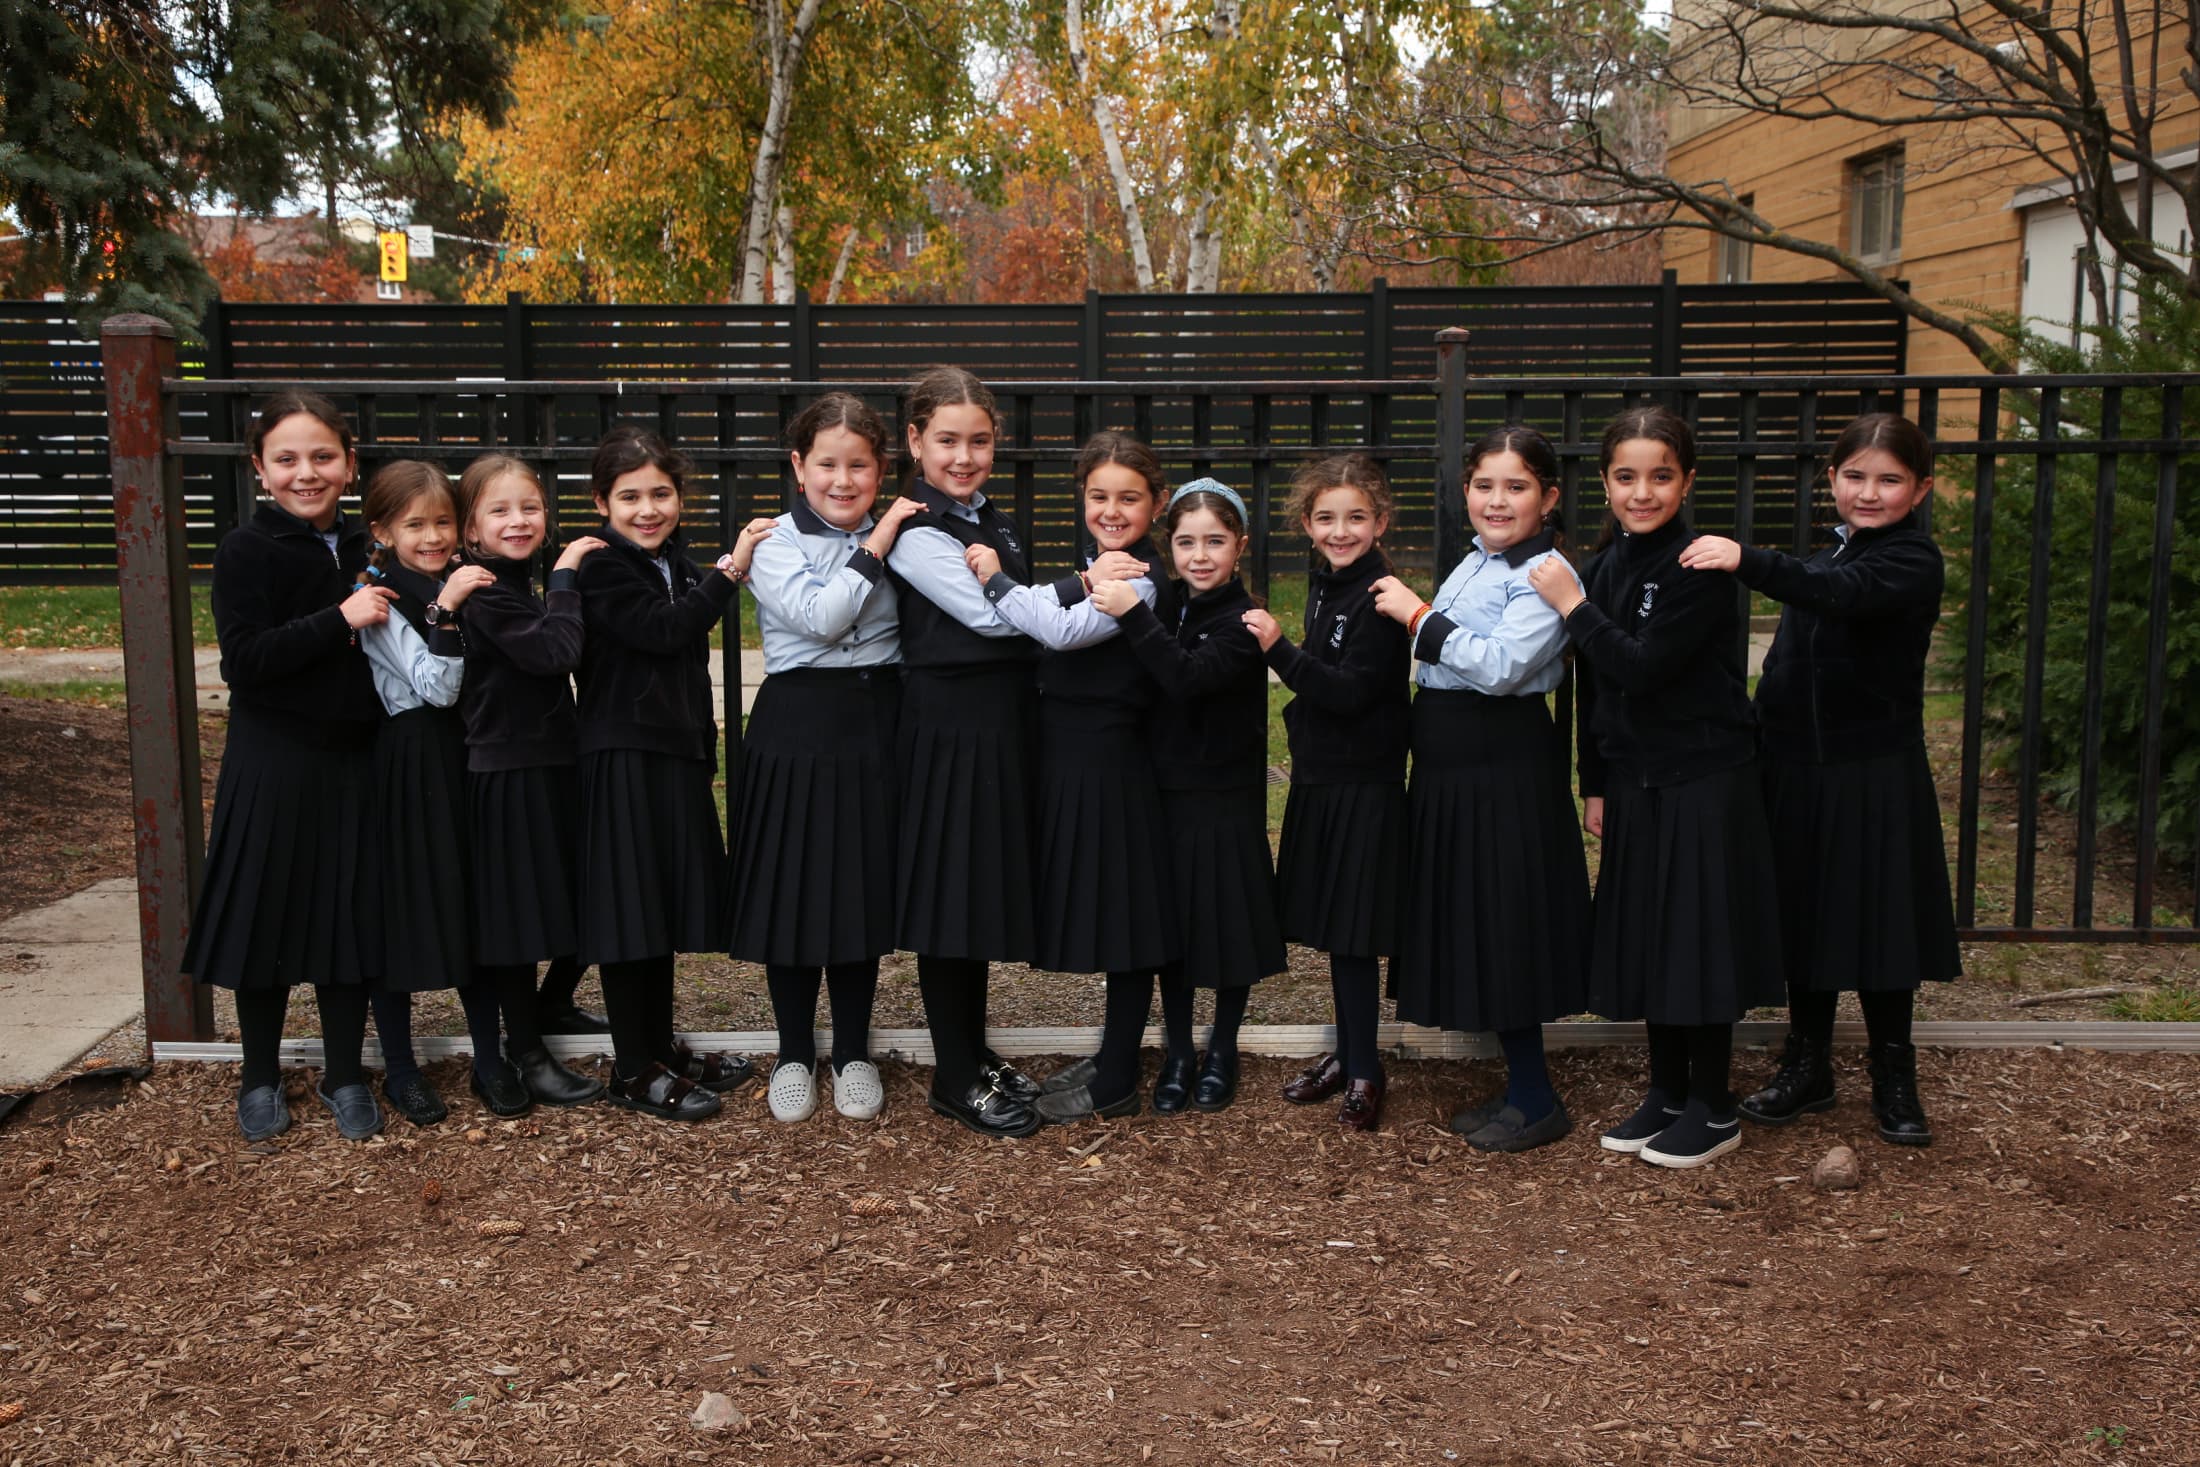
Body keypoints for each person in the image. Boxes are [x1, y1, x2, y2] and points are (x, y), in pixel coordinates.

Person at [1678, 412, 1959, 1146]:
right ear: (1832, 479)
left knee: (1880, 920)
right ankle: (1808, 1065)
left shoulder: (1909, 560)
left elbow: (1842, 593)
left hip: (1872, 772)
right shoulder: (1828, 555)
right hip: (1797, 769)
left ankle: (1894, 1072)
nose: (1869, 492)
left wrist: (1746, 558)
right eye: (1855, 476)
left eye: (1890, 480)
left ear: (1920, 488)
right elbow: (1785, 664)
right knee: (1804, 915)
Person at [1528, 406, 1783, 1169]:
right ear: (1606, 484)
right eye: (1626, 476)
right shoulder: (1607, 564)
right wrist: (1596, 782)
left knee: (1695, 942)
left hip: (1702, 777)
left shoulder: (1697, 566)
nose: (1643, 492)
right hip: (1637, 782)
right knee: (1654, 939)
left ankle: (1713, 1105)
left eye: (1661, 476)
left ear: (1687, 481)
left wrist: (1573, 606)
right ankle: (1668, 1091)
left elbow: (1640, 665)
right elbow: (1596, 688)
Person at [1374, 427, 1593, 1151]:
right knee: (1476, 915)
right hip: (1452, 764)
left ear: (1548, 497)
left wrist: (1417, 615)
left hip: (1501, 764)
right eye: (1484, 486)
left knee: (1506, 918)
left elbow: (1500, 668)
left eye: (1516, 486)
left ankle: (1537, 1099)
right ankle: (1519, 1086)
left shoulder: (1546, 574)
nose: (1497, 501)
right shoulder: (1477, 562)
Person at [184, 392, 387, 1142]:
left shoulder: (372, 544)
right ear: (260, 469)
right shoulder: (247, 549)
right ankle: (260, 1075)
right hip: (272, 760)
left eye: (323, 456)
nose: (308, 473)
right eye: (288, 459)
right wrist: (338, 619)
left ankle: (344, 1073)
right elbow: (245, 661)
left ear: (350, 463)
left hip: (355, 758)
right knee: (264, 918)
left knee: (346, 917)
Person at [966, 431, 1174, 1123]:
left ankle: (1117, 1076)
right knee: (1102, 902)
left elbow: (1057, 630)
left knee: (1123, 912)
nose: (1112, 511)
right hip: (1071, 752)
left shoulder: (1138, 577)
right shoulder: (1097, 564)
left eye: (1129, 498)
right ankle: (1112, 1051)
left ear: (1157, 503)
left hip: (1111, 757)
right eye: (1098, 496)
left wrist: (995, 578)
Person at [727, 393, 922, 1124]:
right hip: (797, 724)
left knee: (856, 887)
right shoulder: (774, 540)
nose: (844, 481)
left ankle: (853, 1051)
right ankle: (791, 1051)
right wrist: (878, 544)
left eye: (860, 466)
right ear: (798, 466)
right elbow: (820, 617)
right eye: (828, 464)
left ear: (881, 469)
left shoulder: (907, 535)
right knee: (794, 888)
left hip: (874, 721)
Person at [882, 367, 1046, 1138]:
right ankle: (952, 1077)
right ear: (915, 440)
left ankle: (974, 1052)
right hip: (948, 728)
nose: (964, 456)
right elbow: (992, 617)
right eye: (947, 440)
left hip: (996, 724)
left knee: (975, 893)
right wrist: (1076, 593)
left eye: (979, 441)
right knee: (950, 900)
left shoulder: (993, 520)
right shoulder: (919, 530)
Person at [573, 425, 752, 1122]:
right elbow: (663, 631)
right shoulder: (601, 568)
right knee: (629, 914)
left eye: (661, 494)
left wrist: (701, 747)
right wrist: (729, 573)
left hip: (674, 756)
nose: (648, 510)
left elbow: (686, 664)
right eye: (630, 497)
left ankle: (658, 1048)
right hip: (622, 755)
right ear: (602, 503)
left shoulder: (673, 562)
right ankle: (631, 1068)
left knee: (656, 911)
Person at [1090, 480, 1285, 1113]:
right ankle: (1177, 1050)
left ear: (1240, 546)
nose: (1200, 556)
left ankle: (1222, 1047)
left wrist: (1132, 613)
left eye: (1215, 542)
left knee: (1225, 925)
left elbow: (1187, 677)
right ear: (1169, 546)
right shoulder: (1169, 603)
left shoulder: (1243, 621)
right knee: (1170, 928)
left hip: (1222, 794)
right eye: (1186, 542)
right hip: (1164, 790)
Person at [1244, 454, 1409, 1131]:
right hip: (1322, 776)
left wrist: (1278, 649)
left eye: (1356, 517)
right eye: (1326, 518)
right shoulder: (1326, 584)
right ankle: (1348, 1052)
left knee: (1354, 933)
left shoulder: (1381, 596)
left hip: (1362, 783)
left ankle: (1367, 1068)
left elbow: (1349, 691)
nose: (1341, 531)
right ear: (1308, 525)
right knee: (1337, 931)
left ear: (1380, 521)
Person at [453, 454, 612, 1115]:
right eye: (499, 510)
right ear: (471, 528)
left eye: (530, 507)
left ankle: (553, 1003)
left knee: (587, 893)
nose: (518, 520)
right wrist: (568, 577)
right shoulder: (483, 592)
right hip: (509, 770)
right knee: (519, 916)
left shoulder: (517, 585)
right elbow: (555, 653)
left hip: (555, 760)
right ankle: (526, 1050)